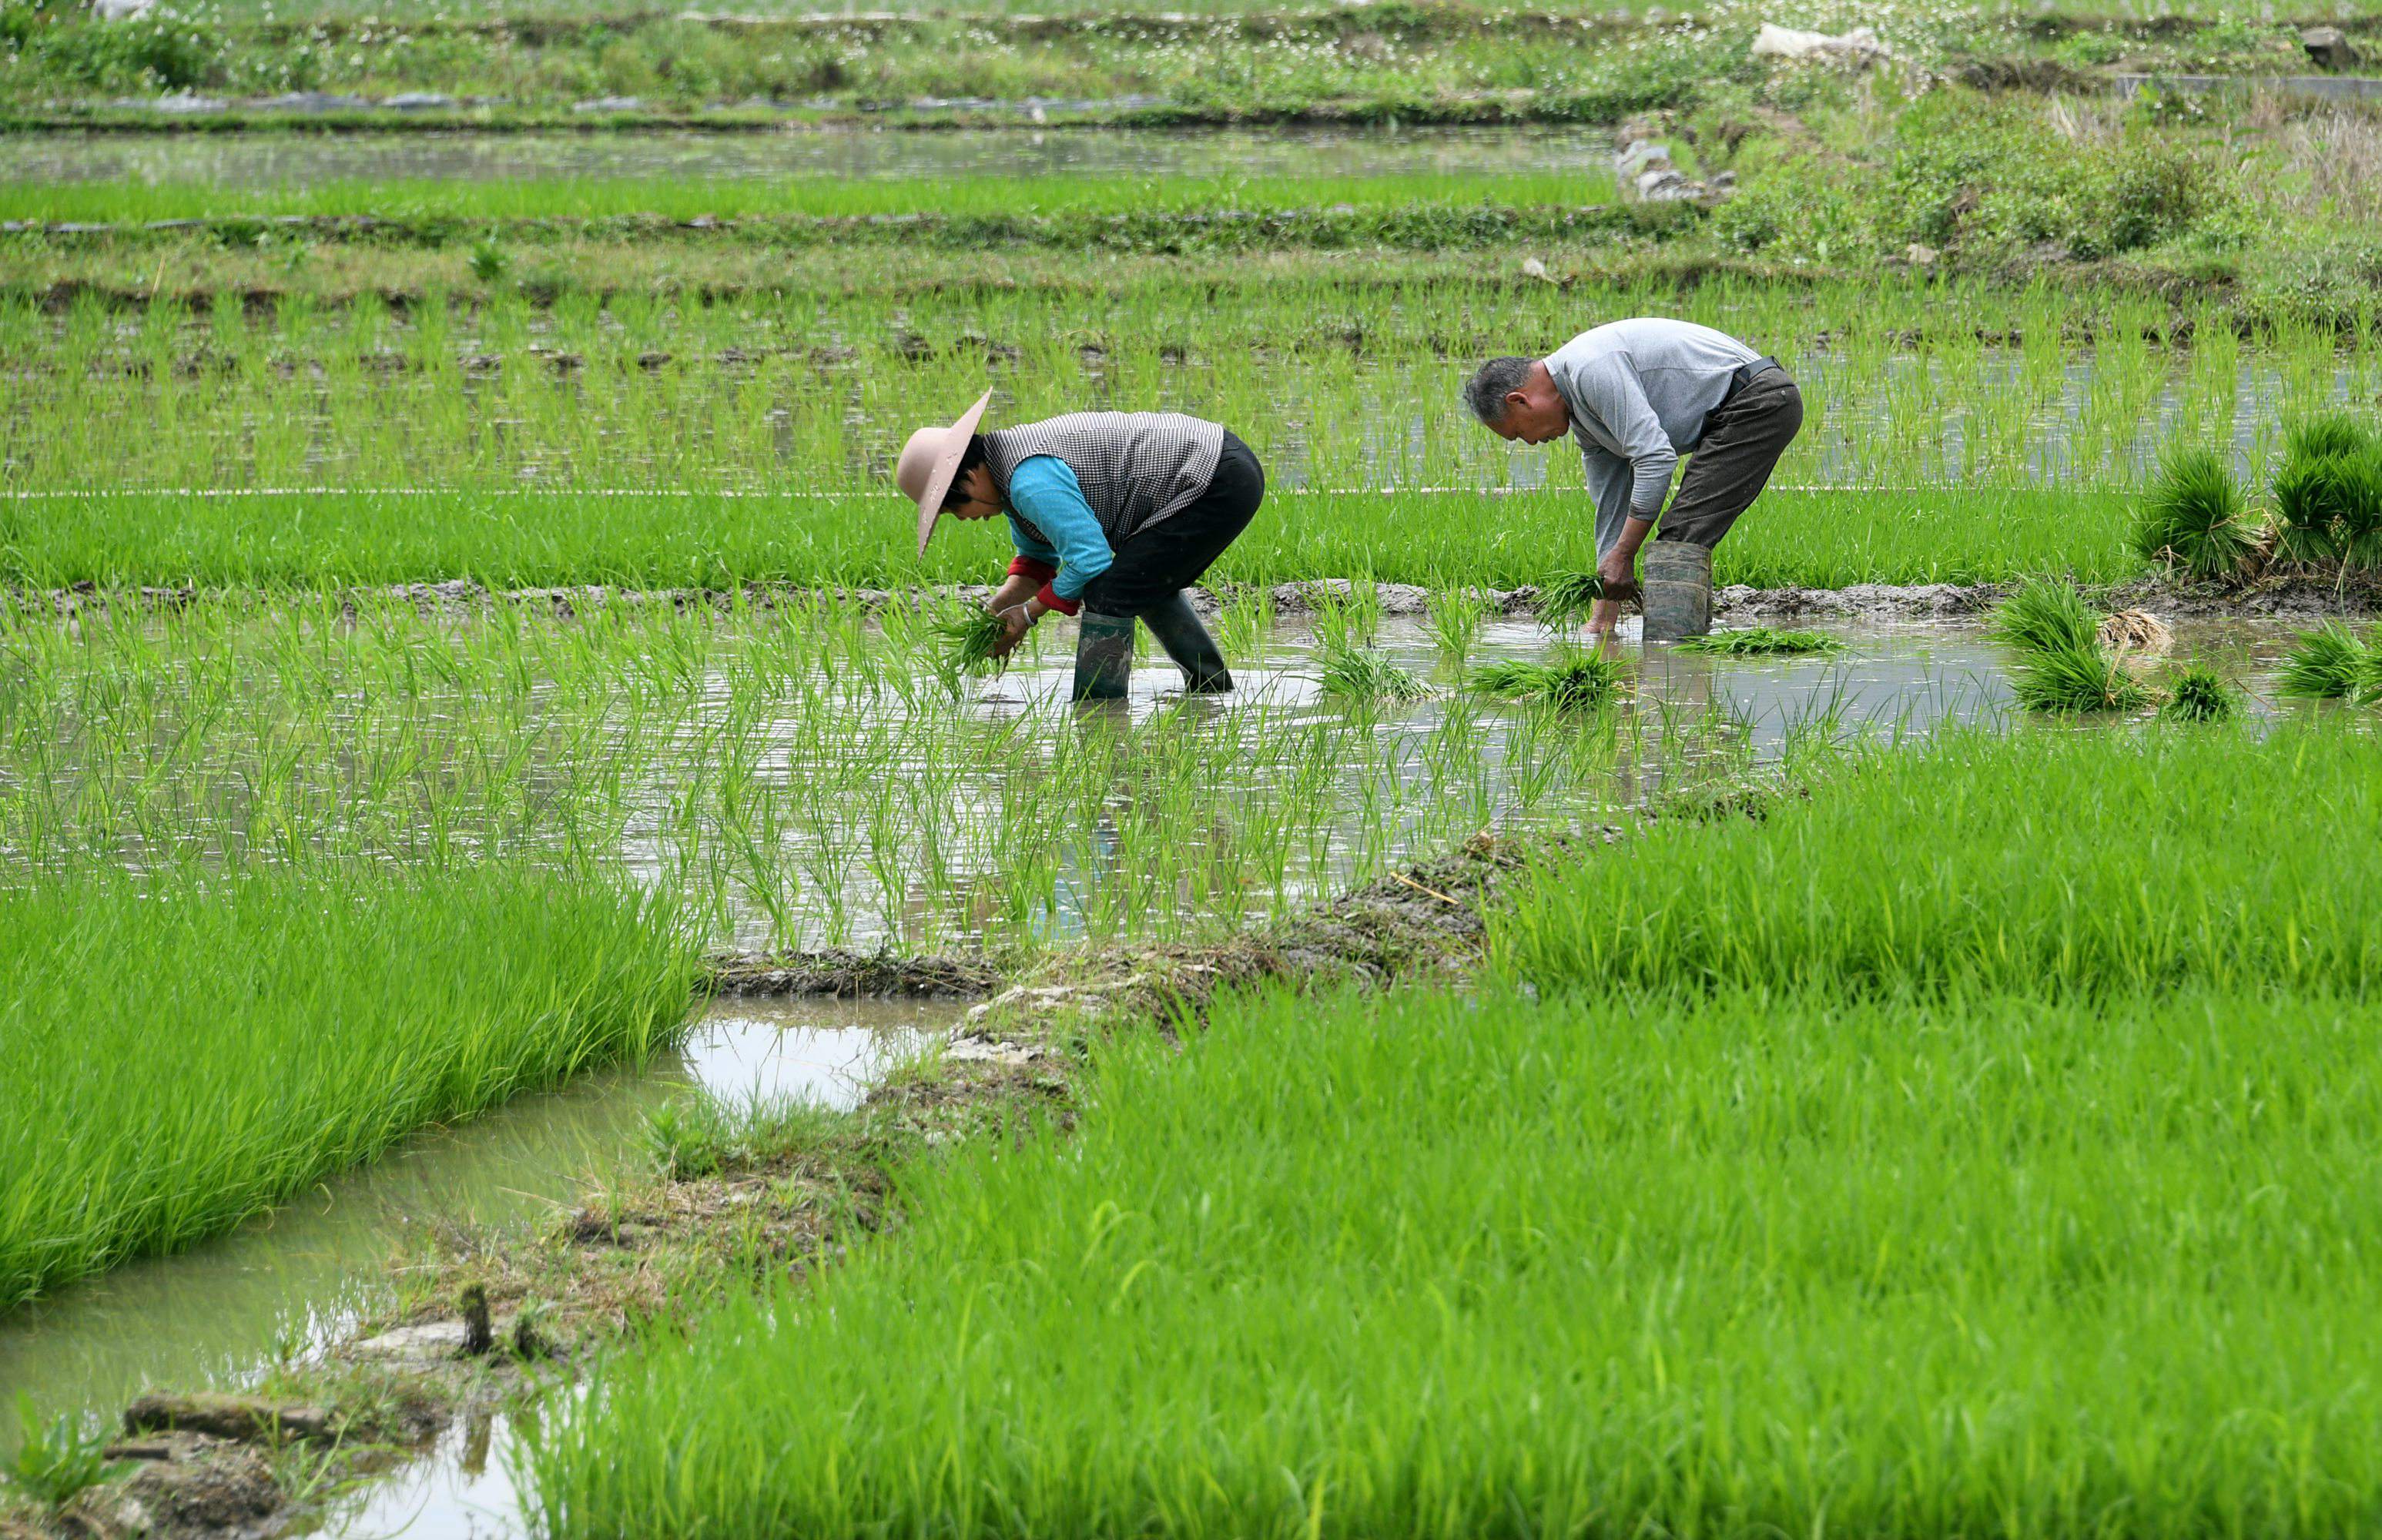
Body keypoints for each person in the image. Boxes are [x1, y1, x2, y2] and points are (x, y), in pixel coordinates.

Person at [895, 392, 1265, 698]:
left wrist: (1026, 617)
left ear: (971, 477)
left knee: (1110, 592)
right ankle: (1211, 689)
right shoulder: (1009, 479)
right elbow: (1037, 562)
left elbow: (1090, 561)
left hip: (1214, 474)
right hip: (1221, 464)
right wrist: (993, 616)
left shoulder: (1027, 480)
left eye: (954, 508)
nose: (962, 518)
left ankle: (1100, 712)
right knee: (1139, 579)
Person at [1463, 319, 1803, 642]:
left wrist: (1625, 554)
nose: (1531, 443)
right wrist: (1603, 611)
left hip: (1757, 400)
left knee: (1680, 537)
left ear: (1520, 400)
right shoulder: (1584, 415)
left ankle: (1673, 659)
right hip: (1734, 409)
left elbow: (1656, 458)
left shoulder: (1590, 368)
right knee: (1682, 535)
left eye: (1520, 433)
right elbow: (1612, 505)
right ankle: (1686, 642)